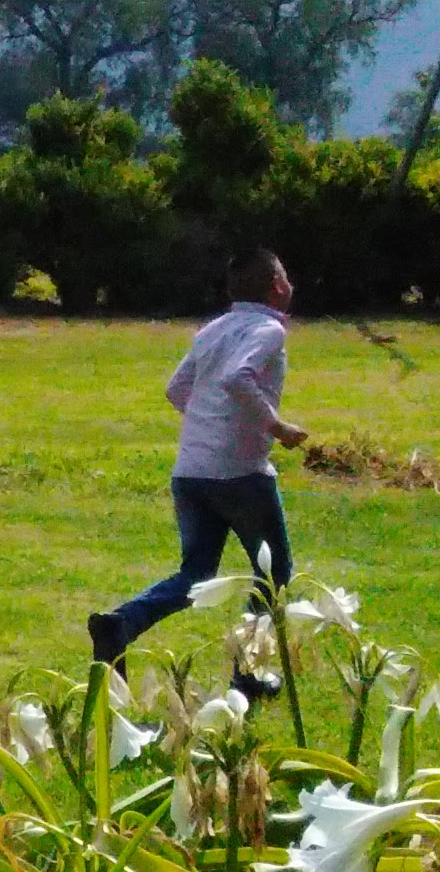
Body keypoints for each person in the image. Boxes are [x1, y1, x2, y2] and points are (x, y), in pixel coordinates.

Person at [89, 249, 311, 669]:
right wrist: (277, 428)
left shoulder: (212, 330)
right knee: (274, 577)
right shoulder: (269, 330)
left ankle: (120, 623)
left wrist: (210, 425)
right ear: (278, 286)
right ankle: (249, 673)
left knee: (196, 573)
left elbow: (177, 389)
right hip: (240, 475)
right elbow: (237, 378)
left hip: (190, 472)